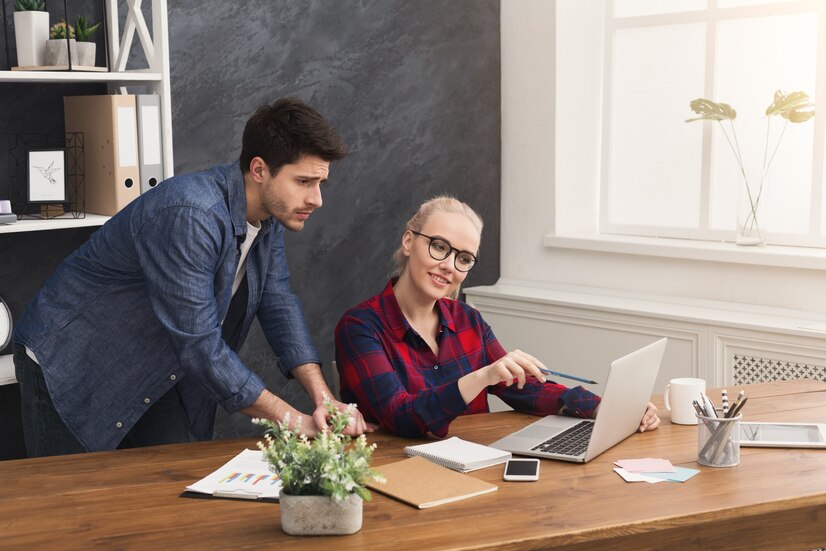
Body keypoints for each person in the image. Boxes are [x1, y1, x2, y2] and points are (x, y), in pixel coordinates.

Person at [13, 97, 373, 457]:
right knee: (69, 500)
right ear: (260, 169)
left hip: (157, 361)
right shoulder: (191, 214)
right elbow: (200, 345)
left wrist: (324, 399)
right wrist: (293, 421)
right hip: (76, 358)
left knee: (172, 488)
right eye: (304, 181)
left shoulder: (271, 214)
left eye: (320, 182)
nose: (317, 199)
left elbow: (277, 301)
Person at [334, 196, 660, 438]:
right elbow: (402, 415)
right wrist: (482, 377)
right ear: (409, 241)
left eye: (463, 258)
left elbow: (524, 388)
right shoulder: (360, 327)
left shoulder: (467, 320)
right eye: (438, 247)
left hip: (474, 468)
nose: (449, 265)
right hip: (396, 478)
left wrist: (607, 407)